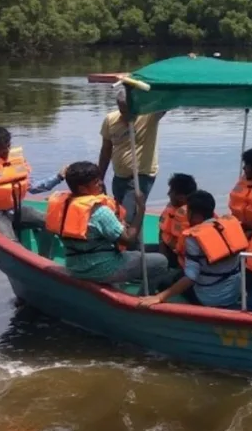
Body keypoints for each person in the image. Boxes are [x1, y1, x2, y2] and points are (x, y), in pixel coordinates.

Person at [45, 161, 173, 288]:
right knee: (161, 261)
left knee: (135, 255)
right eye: (96, 182)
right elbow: (128, 240)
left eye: (99, 179)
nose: (100, 183)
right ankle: (144, 300)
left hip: (74, 266)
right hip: (101, 269)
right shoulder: (100, 212)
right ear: (83, 188)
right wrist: (141, 210)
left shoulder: (64, 206)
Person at [138, 190, 247, 309]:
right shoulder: (230, 226)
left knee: (159, 278)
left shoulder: (193, 239)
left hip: (208, 298)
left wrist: (160, 297)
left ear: (193, 214)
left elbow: (191, 277)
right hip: (234, 293)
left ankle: (142, 306)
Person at [0, 126, 66, 251]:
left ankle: (44, 257)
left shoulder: (15, 160)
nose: (6, 151)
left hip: (16, 210)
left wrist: (59, 177)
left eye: (7, 146)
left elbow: (33, 187)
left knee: (51, 223)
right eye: (1, 149)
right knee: (11, 244)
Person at [97, 88, 166, 233]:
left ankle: (127, 251)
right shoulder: (111, 120)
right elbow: (106, 150)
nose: (125, 114)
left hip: (140, 175)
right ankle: (132, 249)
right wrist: (100, 177)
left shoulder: (149, 115)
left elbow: (166, 100)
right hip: (119, 176)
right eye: (122, 110)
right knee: (122, 213)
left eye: (129, 110)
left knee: (127, 217)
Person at [154, 173, 197, 268]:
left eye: (171, 191)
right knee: (140, 253)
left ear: (181, 197)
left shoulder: (195, 216)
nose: (168, 194)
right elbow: (162, 230)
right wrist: (163, 257)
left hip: (184, 263)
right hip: (167, 250)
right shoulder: (172, 206)